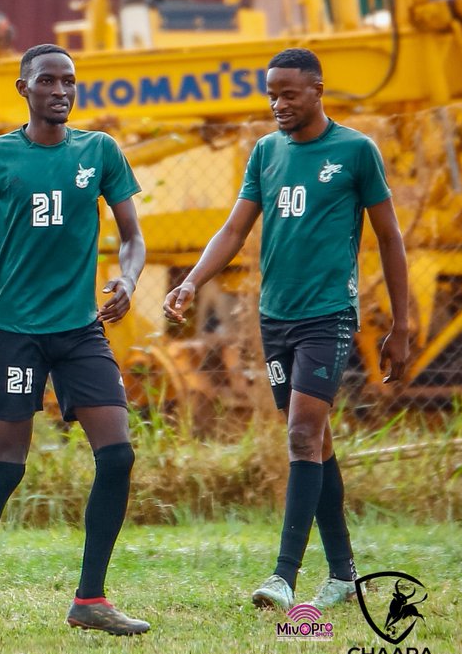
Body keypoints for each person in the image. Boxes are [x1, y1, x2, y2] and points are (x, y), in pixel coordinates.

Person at [163, 47, 409, 613]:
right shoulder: (266, 152)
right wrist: (192, 281)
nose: (278, 104)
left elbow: (390, 238)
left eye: (289, 94)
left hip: (329, 314)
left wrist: (400, 324)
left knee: (300, 434)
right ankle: (344, 574)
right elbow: (233, 230)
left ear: (318, 90)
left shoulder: (355, 151)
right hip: (275, 318)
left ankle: (283, 577)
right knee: (315, 441)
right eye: (271, 94)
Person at [0, 44, 149, 642]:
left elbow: (132, 237)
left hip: (80, 329)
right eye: (48, 81)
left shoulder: (100, 150)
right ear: (24, 88)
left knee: (117, 455)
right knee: (7, 467)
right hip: (16, 332)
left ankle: (91, 599)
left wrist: (128, 279)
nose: (61, 90)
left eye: (69, 81)